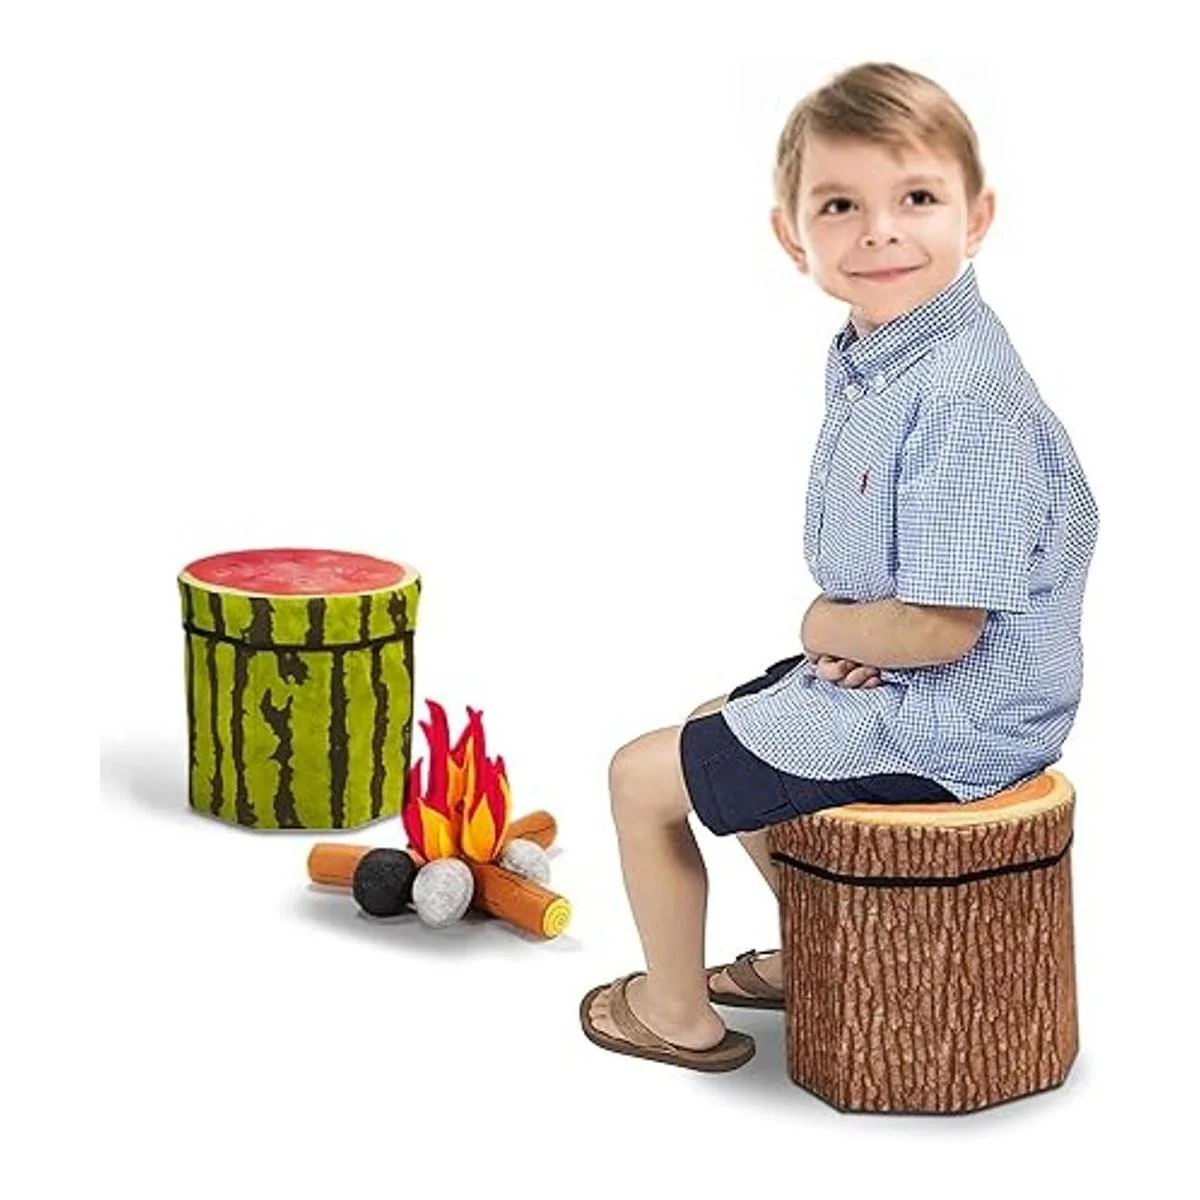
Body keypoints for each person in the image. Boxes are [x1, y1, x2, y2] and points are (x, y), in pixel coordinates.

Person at [578, 61, 1099, 1072]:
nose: (880, 232)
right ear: (794, 237)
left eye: (917, 198)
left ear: (978, 216)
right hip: (916, 686)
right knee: (716, 720)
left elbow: (942, 629)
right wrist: (867, 640)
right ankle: (826, 941)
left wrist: (827, 628)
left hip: (958, 722)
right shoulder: (889, 354)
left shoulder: (964, 397)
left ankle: (673, 1012)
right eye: (840, 205)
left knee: (641, 779)